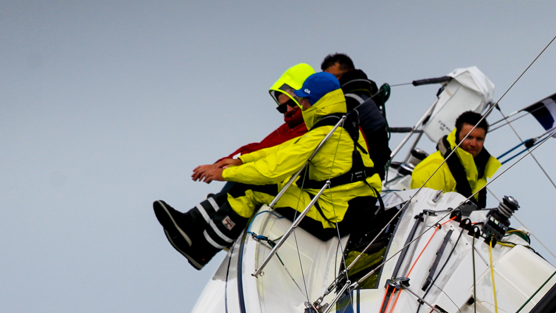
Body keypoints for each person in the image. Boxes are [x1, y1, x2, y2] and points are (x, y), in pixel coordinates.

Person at [154, 70, 383, 269]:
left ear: (315, 101)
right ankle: (197, 236)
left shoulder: (324, 134)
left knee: (252, 188)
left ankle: (201, 250)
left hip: (336, 215)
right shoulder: (336, 125)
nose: (300, 106)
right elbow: (282, 151)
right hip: (347, 205)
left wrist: (223, 173)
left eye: (302, 100)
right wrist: (241, 162)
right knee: (252, 181)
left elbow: (273, 168)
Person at [190, 63, 315, 184]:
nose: (288, 110)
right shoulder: (289, 128)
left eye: (292, 103)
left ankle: (216, 204)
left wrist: (231, 165)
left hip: (291, 184)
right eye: (282, 108)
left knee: (244, 177)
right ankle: (214, 204)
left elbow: (269, 150)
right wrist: (222, 163)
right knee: (241, 174)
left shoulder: (311, 126)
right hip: (277, 181)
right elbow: (260, 146)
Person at [410, 111, 501, 208]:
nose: (474, 144)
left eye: (479, 139)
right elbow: (421, 212)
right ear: (457, 135)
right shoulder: (433, 168)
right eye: (468, 137)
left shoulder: (479, 171)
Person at [320, 53, 390, 174]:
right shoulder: (365, 95)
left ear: (346, 73)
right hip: (373, 166)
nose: (327, 85)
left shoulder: (349, 101)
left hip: (364, 169)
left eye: (332, 79)